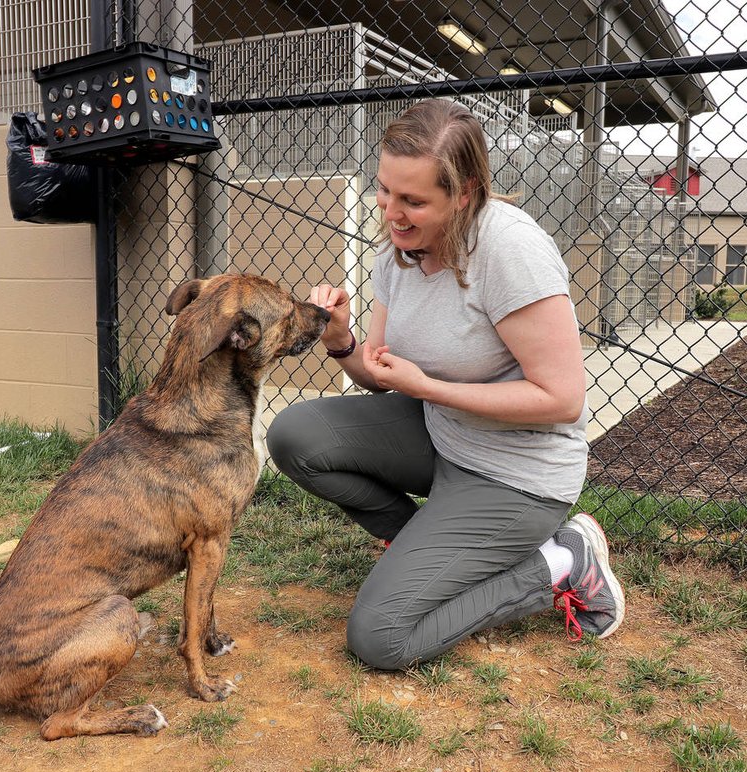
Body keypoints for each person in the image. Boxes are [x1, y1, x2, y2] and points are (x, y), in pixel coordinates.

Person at [266, 98, 624, 671]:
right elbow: (378, 375)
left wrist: (429, 388)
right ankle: (426, 553)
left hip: (518, 474)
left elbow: (562, 400)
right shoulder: (399, 251)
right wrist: (341, 339)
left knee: (381, 638)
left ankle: (562, 561)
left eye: (413, 200)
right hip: (443, 437)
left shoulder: (508, 249)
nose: (392, 212)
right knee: (295, 435)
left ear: (465, 192)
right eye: (384, 190)